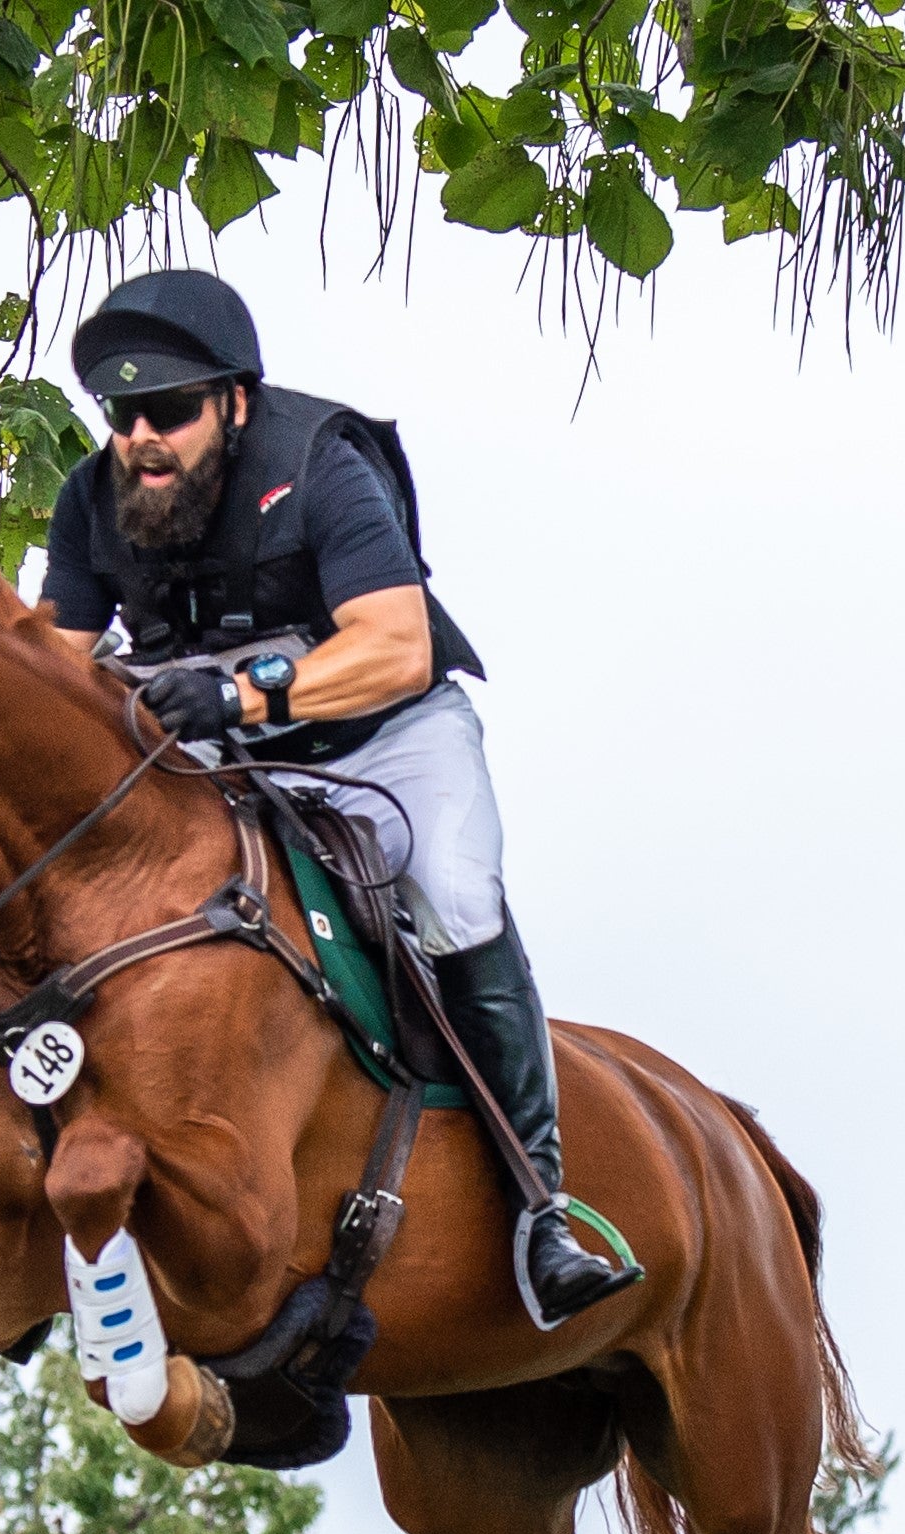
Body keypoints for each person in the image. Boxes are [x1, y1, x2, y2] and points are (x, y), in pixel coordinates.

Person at [41, 269, 631, 1330]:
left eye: (167, 410)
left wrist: (234, 692)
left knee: (454, 898)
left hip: (384, 743)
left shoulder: (321, 464)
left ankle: (542, 1210)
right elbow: (52, 670)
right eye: (121, 415)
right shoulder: (92, 501)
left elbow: (395, 646)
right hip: (230, 767)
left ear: (234, 401)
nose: (140, 436)